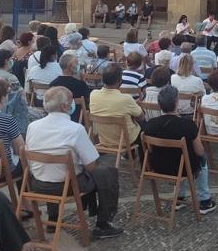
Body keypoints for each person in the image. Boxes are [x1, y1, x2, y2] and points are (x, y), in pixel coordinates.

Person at [25, 86, 122, 238]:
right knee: (107, 172)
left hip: (37, 183)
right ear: (65, 106)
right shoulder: (75, 129)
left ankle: (53, 216)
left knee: (54, 169)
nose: (72, 105)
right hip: (68, 185)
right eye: (71, 101)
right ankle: (103, 224)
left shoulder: (32, 127)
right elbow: (91, 166)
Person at [143, 85, 217, 214]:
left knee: (180, 157)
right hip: (183, 168)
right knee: (202, 160)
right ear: (176, 103)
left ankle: (179, 197)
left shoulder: (150, 125)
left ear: (160, 104)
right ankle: (205, 200)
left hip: (159, 166)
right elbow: (199, 151)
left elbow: (150, 149)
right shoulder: (187, 125)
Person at [87, 64, 143, 150]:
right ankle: (143, 161)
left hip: (104, 138)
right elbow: (141, 117)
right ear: (119, 81)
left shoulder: (93, 95)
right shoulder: (125, 99)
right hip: (125, 140)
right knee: (143, 127)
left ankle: (129, 156)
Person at [49, 53, 90, 122]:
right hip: (76, 118)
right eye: (77, 63)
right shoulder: (80, 84)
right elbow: (87, 101)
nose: (78, 65)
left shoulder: (53, 84)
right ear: (70, 67)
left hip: (58, 117)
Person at [172, 53, 206, 119]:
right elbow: (203, 96)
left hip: (176, 111)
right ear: (192, 66)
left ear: (179, 64)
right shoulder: (197, 80)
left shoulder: (172, 78)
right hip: (192, 112)